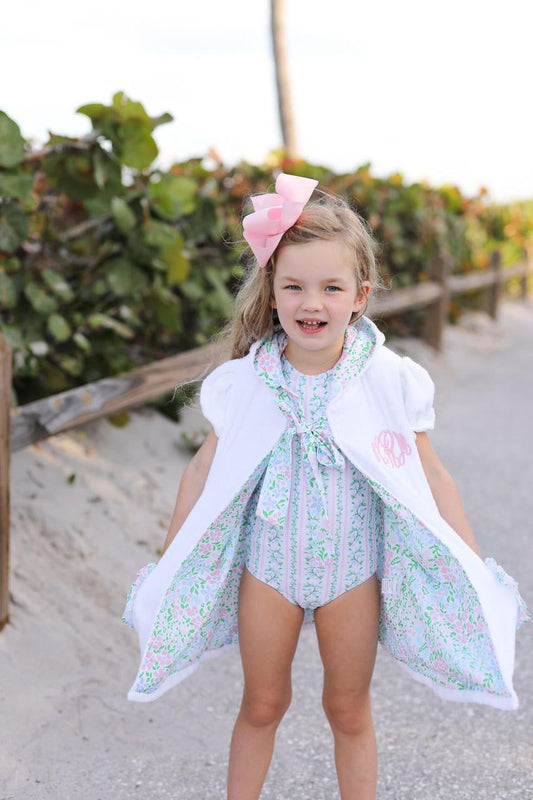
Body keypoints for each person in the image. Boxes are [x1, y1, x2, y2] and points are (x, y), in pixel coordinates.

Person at [122, 174, 529, 800]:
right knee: (262, 703)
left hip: (351, 572)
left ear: (360, 296)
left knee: (348, 709)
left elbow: (430, 471)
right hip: (270, 570)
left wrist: (471, 563)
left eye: (331, 288)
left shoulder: (390, 379)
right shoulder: (247, 382)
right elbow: (204, 468)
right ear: (273, 292)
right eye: (295, 287)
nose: (312, 303)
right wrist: (173, 558)